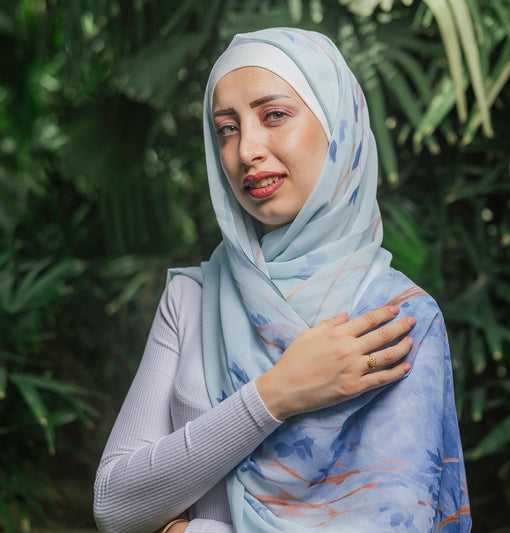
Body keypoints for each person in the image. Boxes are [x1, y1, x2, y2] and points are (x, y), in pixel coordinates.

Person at [93, 28, 471, 533]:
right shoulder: (192, 297)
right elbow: (115, 503)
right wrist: (276, 394)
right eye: (227, 128)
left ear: (338, 126)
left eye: (273, 115)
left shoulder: (397, 316)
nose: (246, 149)